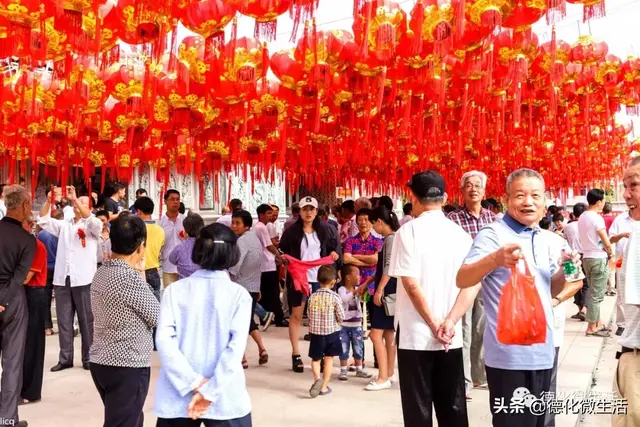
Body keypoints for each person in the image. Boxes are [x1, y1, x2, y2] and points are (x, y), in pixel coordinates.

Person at [456, 168, 582, 427]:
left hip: (544, 352)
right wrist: (494, 259)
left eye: (535, 195)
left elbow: (550, 290)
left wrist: (566, 268)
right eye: (520, 195)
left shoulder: (546, 238)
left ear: (544, 200)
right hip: (509, 358)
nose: (528, 202)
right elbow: (463, 278)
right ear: (507, 199)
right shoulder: (493, 234)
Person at [386, 171, 471, 427]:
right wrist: (448, 322)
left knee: (417, 405)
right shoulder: (461, 235)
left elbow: (410, 284)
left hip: (416, 334)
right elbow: (470, 284)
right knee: (453, 404)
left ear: (414, 198)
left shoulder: (407, 232)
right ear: (444, 197)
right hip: (450, 333)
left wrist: (433, 324)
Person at [154, 224, 253, 427]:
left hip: (177, 394)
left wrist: (193, 382)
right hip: (225, 395)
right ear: (232, 253)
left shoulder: (174, 291)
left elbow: (164, 342)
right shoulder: (238, 295)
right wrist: (210, 389)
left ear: (197, 251)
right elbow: (235, 350)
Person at [90, 214, 160, 427]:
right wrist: (141, 272)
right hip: (126, 363)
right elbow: (157, 316)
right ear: (141, 246)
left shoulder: (102, 272)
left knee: (130, 419)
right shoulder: (128, 278)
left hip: (102, 360)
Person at [38, 187, 102, 372]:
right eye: (76, 201)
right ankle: (65, 358)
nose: (77, 204)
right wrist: (49, 201)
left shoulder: (93, 224)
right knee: (65, 321)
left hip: (83, 279)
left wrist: (75, 199)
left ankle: (89, 357)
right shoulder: (64, 225)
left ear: (89, 207)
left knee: (86, 320)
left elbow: (92, 221)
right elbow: (43, 221)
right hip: (62, 278)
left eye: (83, 202)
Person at [447, 170, 496, 398]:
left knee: (484, 331)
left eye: (478, 185)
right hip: (464, 282)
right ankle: (464, 381)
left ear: (484, 190)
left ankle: (481, 376)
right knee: (464, 332)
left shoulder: (493, 219)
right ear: (462, 190)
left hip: (488, 282)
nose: (473, 189)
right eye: (469, 185)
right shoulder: (453, 219)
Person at [280, 196, 341, 373]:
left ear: (316, 211)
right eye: (305, 209)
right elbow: (283, 249)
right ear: (300, 212)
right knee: (297, 314)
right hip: (299, 277)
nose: (308, 213)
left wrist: (334, 257)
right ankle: (296, 353)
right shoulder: (291, 231)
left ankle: (319, 354)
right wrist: (284, 258)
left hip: (320, 278)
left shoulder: (327, 230)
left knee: (320, 316)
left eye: (311, 209)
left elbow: (334, 249)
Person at [0, 185, 36, 427]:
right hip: (11, 300)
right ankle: (7, 419)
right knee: (12, 362)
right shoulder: (26, 240)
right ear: (23, 206)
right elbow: (19, 276)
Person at [612, 156, 640, 427]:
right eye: (625, 185)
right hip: (630, 346)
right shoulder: (625, 225)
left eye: (634, 185)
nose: (626, 193)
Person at [230, 210, 269, 368]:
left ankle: (242, 357)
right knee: (247, 320)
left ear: (246, 225)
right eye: (233, 222)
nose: (233, 226)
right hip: (252, 287)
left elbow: (235, 267)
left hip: (240, 287)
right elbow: (258, 266)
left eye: (237, 223)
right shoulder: (255, 239)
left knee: (237, 322)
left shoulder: (242, 242)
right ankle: (262, 348)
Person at [366, 206, 399, 391]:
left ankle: (383, 376)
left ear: (379, 221)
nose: (373, 228)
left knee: (375, 334)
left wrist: (379, 290)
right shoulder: (392, 239)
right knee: (388, 334)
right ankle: (389, 372)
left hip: (386, 291)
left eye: (373, 224)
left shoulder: (391, 240)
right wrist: (368, 283)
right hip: (388, 288)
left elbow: (388, 267)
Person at [19, 216, 47, 407]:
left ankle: (31, 391)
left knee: (33, 344)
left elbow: (26, 278)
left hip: (35, 294)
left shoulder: (37, 246)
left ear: (29, 226)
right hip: (26, 294)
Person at [579, 188, 613, 337]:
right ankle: (591, 327)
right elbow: (605, 239)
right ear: (599, 202)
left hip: (586, 258)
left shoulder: (582, 217)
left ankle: (598, 322)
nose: (604, 203)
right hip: (598, 258)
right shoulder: (596, 218)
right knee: (597, 295)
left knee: (593, 290)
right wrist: (610, 252)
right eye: (603, 200)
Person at [307, 265, 344, 398]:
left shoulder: (312, 297)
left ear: (317, 279)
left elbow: (309, 315)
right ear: (333, 282)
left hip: (316, 334)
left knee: (316, 359)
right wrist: (338, 323)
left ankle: (317, 378)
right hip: (331, 333)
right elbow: (341, 316)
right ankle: (323, 387)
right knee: (329, 359)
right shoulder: (335, 297)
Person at [337, 264, 371, 381]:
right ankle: (343, 370)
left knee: (358, 348)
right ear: (348, 277)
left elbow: (363, 300)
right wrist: (356, 292)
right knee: (344, 348)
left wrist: (364, 293)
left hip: (356, 325)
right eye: (356, 274)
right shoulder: (341, 290)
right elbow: (344, 299)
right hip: (344, 325)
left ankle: (359, 369)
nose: (359, 276)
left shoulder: (358, 289)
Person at [255, 204, 286, 328]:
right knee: (273, 292)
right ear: (261, 215)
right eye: (268, 213)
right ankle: (279, 317)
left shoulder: (258, 226)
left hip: (263, 263)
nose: (271, 215)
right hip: (267, 263)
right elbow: (269, 245)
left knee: (266, 293)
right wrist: (280, 256)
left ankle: (266, 317)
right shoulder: (262, 227)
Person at [343, 209, 383, 297]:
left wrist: (355, 256)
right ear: (356, 223)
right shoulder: (350, 241)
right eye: (360, 220)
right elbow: (346, 259)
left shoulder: (378, 242)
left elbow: (376, 259)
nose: (363, 223)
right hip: (355, 286)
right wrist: (368, 263)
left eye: (366, 219)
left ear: (372, 223)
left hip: (372, 285)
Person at [135, 197, 166, 302]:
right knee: (155, 306)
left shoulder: (136, 229)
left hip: (137, 270)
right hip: (154, 271)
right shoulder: (160, 230)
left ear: (139, 212)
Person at [37, 209, 62, 336]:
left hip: (45, 268)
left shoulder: (41, 234)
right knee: (62, 299)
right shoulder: (61, 234)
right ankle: (65, 325)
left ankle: (47, 327)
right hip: (58, 268)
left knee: (46, 298)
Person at [609, 208, 632, 336]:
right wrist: (621, 235)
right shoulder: (620, 219)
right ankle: (622, 325)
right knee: (622, 293)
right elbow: (610, 239)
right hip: (622, 260)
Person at [564, 203, 588, 321]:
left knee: (574, 283)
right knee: (586, 284)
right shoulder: (586, 225)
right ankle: (584, 309)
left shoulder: (567, 226)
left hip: (570, 257)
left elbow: (564, 240)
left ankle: (580, 309)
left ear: (573, 213)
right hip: (585, 255)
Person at [160, 189, 185, 287]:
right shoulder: (160, 223)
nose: (175, 202)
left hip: (185, 268)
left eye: (177, 199)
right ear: (165, 201)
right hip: (168, 268)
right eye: (172, 199)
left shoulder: (186, 220)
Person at [169, 211, 205, 279]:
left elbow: (172, 260)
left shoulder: (179, 249)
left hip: (184, 286)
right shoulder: (210, 247)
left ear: (186, 231)